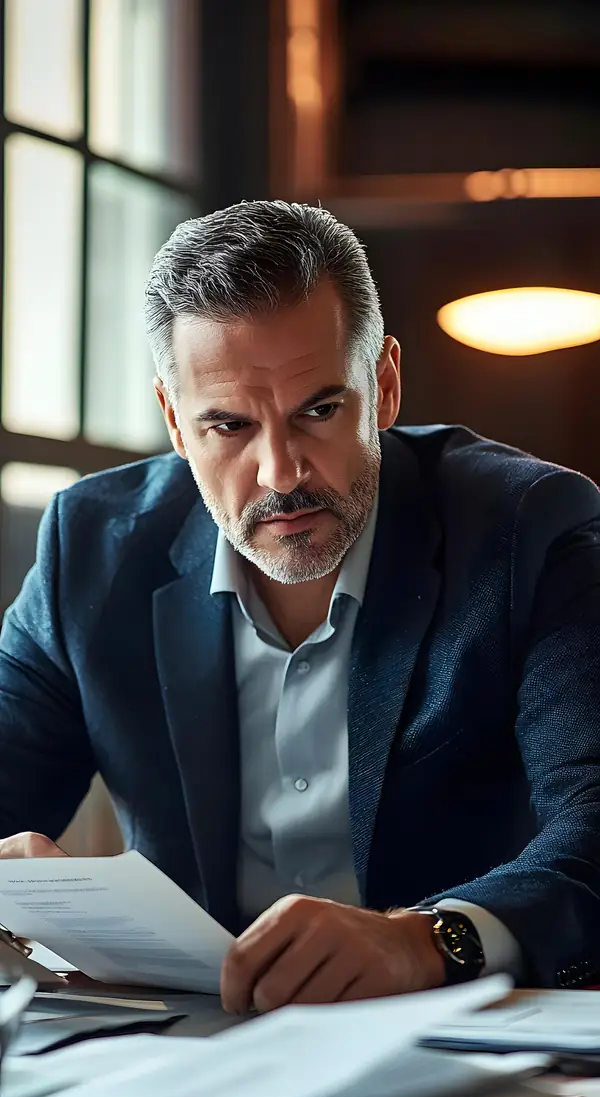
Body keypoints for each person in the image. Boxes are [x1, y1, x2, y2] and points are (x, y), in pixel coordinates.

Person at [1, 200, 600, 1015]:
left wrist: (428, 939)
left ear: (383, 386)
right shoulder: (93, 545)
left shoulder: (530, 527)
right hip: (190, 1057)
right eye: (229, 426)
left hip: (467, 1037)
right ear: (176, 422)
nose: (280, 473)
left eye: (319, 410)